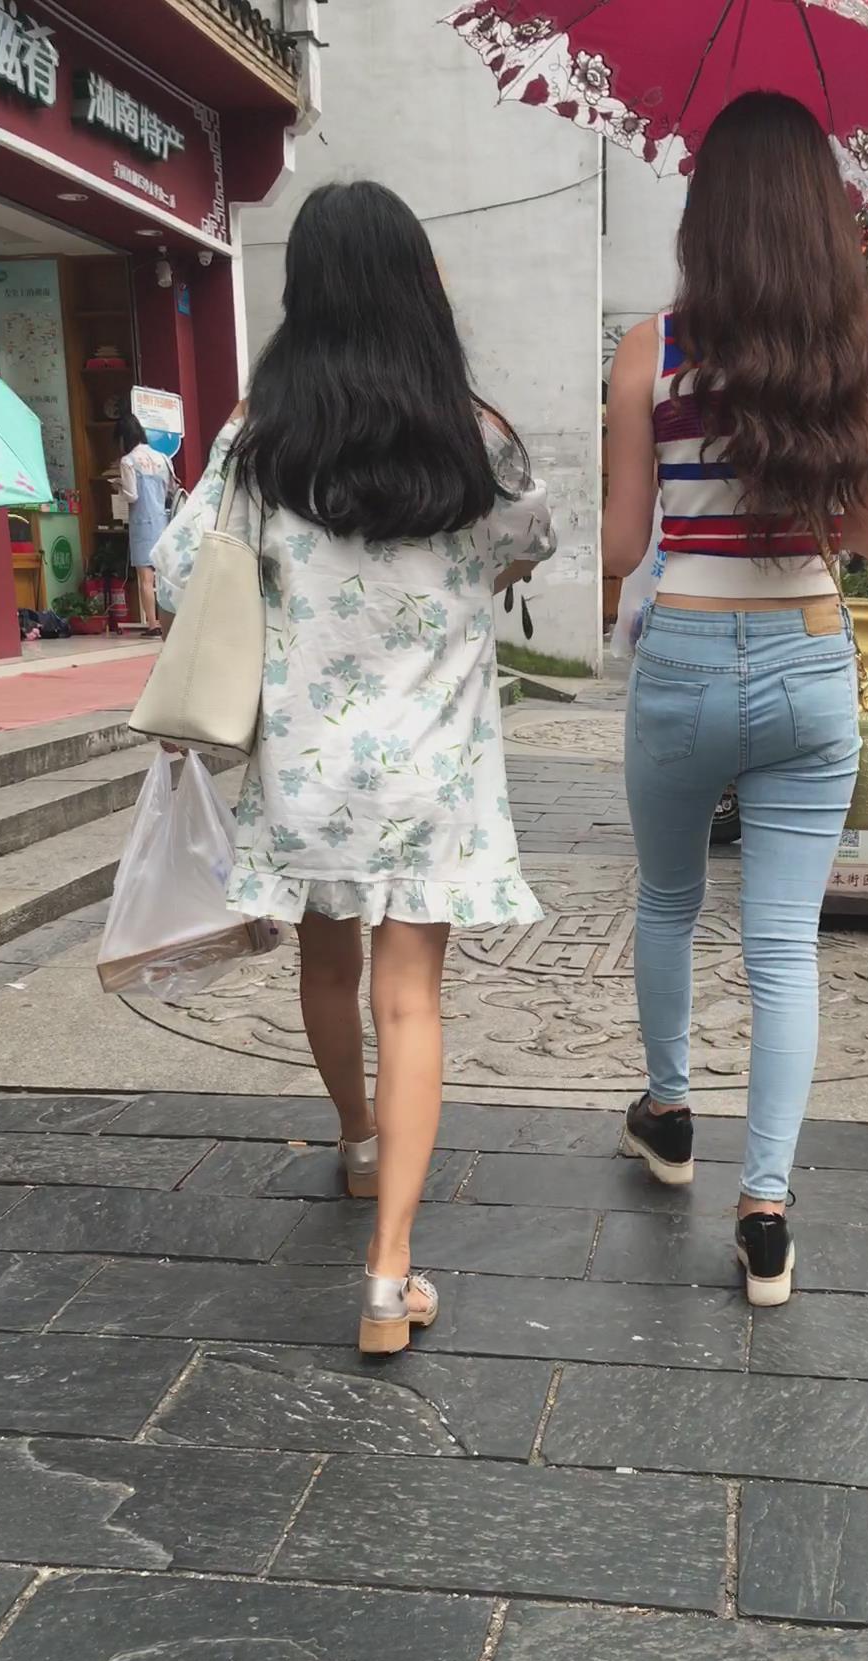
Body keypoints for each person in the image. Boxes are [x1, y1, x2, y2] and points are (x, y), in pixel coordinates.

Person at [152, 181, 555, 1353]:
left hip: (311, 770)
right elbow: (529, 541)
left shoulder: (260, 440)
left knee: (325, 961)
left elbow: (180, 576)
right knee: (412, 997)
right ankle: (388, 1277)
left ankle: (358, 1137)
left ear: (305, 295)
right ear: (420, 285)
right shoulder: (476, 434)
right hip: (435, 772)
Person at [603, 91, 868, 1306]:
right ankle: (765, 1213)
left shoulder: (652, 350)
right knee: (782, 944)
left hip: (683, 653)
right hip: (808, 654)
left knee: (669, 900)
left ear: (708, 211)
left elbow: (622, 544)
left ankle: (669, 1117)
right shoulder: (861, 356)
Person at [116, 414, 176, 631]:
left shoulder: (128, 461)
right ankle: (169, 621)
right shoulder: (163, 459)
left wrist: (118, 486)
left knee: (146, 579)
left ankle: (152, 623)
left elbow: (132, 495)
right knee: (164, 577)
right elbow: (172, 489)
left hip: (142, 523)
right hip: (163, 521)